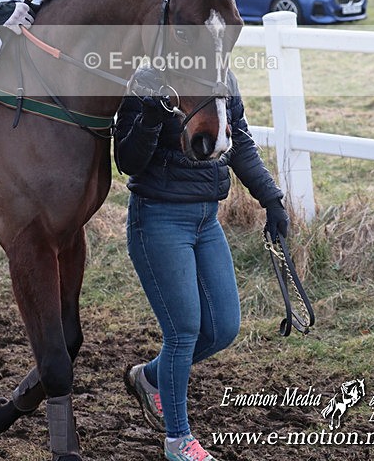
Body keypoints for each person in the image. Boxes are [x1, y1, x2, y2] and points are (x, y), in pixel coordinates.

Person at [115, 65, 290, 461]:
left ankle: (151, 377)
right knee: (184, 332)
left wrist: (271, 199)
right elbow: (127, 159)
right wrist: (151, 116)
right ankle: (178, 440)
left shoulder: (222, 76)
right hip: (159, 219)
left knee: (224, 328)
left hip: (206, 219)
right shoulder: (147, 78)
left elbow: (239, 140)